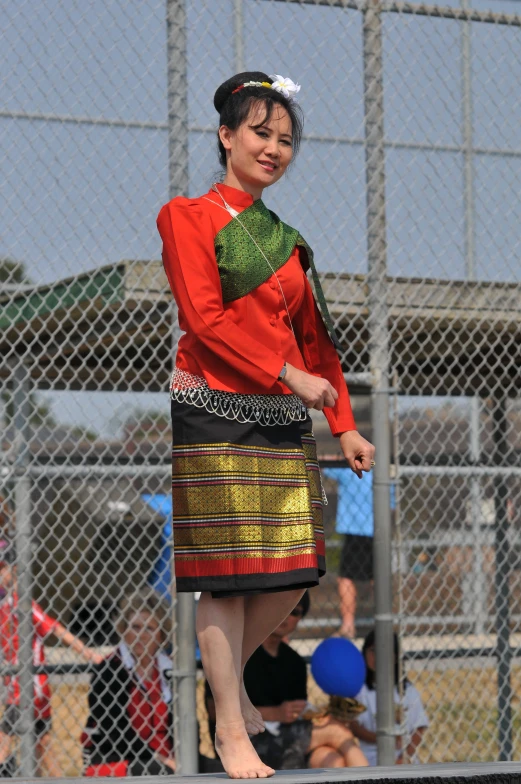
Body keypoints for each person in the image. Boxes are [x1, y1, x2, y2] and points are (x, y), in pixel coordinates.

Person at [156, 70, 375, 779]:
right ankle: (229, 720)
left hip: (283, 419)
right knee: (225, 581)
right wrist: (287, 375)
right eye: (260, 133)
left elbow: (316, 342)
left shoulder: (287, 239)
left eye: (285, 139)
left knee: (288, 577)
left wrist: (341, 422)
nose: (274, 148)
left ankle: (229, 683)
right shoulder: (186, 217)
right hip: (213, 409)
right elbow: (204, 320)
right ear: (225, 136)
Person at [205, 592, 368, 770]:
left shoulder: (294, 661)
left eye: (294, 612)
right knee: (338, 733)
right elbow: (215, 710)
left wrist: (311, 714)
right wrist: (275, 713)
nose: (286, 616)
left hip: (288, 741)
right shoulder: (237, 653)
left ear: (300, 619)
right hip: (250, 741)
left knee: (331, 759)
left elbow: (297, 714)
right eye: (283, 608)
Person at [0, 539, 102, 777]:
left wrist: (88, 653)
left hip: (29, 687)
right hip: (17, 685)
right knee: (42, 745)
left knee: (5, 740)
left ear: (14, 571)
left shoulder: (21, 603)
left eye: (1, 567)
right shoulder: (4, 604)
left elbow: (55, 629)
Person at [82, 589, 175, 776]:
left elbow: (187, 724)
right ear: (124, 629)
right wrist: (161, 760)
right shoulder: (110, 669)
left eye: (149, 628)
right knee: (160, 771)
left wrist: (185, 758)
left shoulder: (169, 670)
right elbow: (115, 731)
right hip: (116, 758)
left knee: (219, 769)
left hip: (169, 758)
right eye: (135, 627)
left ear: (161, 634)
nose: (141, 635)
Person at [323, 470, 395, 638]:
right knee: (377, 576)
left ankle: (349, 625)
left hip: (355, 530)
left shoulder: (349, 469)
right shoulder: (383, 471)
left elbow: (326, 465)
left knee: (346, 577)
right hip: (377, 530)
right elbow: (391, 506)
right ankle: (383, 622)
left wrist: (336, 457)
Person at [350, 629, 429, 765]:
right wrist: (382, 739)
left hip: (403, 758)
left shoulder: (407, 690)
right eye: (373, 651)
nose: (379, 657)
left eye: (385, 652)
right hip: (370, 758)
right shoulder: (359, 690)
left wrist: (404, 757)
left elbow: (419, 728)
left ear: (396, 656)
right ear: (364, 653)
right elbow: (354, 726)